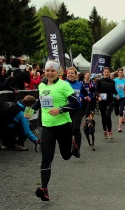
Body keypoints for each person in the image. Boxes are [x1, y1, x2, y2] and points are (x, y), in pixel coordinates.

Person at [35, 60, 81, 201]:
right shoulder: (41, 85)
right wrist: (29, 110)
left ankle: (72, 145)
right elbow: (40, 101)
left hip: (63, 125)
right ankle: (44, 189)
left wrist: (60, 109)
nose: (49, 73)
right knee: (46, 158)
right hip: (47, 127)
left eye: (52, 70)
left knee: (66, 156)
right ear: (44, 71)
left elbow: (76, 103)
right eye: (47, 70)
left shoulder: (64, 85)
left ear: (58, 72)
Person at [66, 67, 87, 157]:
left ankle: (77, 148)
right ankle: (70, 146)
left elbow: (85, 93)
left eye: (72, 73)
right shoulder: (63, 84)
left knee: (76, 128)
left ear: (75, 75)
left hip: (78, 108)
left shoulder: (79, 84)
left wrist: (85, 97)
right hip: (67, 109)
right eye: (69, 73)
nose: (70, 75)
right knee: (68, 129)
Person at [96, 67, 118, 139]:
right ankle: (104, 130)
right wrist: (98, 96)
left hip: (110, 101)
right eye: (105, 72)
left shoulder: (112, 81)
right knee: (103, 117)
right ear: (103, 73)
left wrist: (117, 94)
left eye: (108, 72)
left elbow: (114, 89)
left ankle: (109, 132)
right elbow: (96, 91)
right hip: (102, 101)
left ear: (109, 73)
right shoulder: (100, 81)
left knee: (108, 116)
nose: (106, 73)